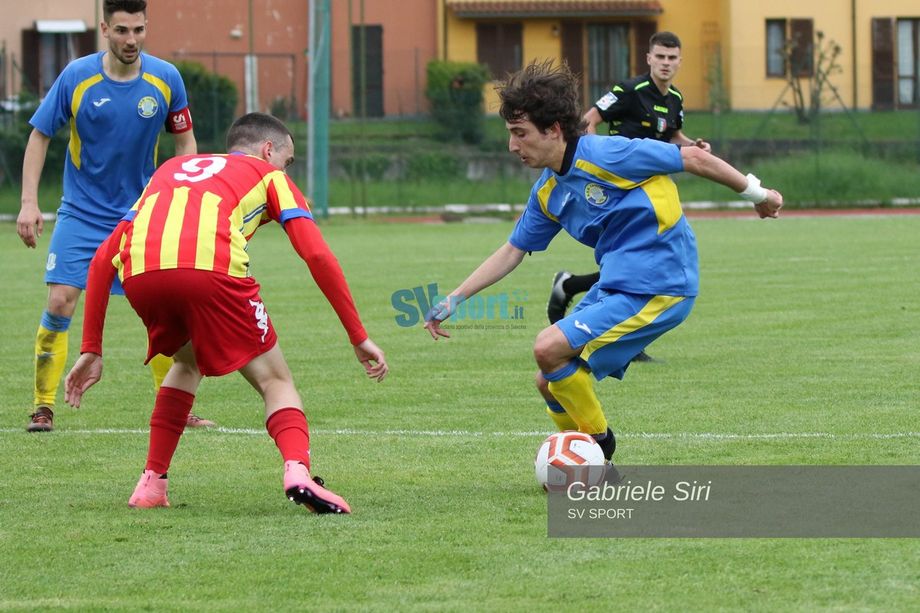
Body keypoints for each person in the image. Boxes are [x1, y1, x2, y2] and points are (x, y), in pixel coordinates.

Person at [424, 61, 781, 462]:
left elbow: (694, 158)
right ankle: (584, 462)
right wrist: (454, 298)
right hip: (617, 285)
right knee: (548, 380)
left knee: (547, 347)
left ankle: (600, 447)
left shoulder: (608, 154)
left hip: (661, 285)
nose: (512, 146)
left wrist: (759, 195)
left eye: (520, 133)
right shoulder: (548, 192)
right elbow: (512, 250)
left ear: (553, 130)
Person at [64, 112, 388, 513]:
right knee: (275, 379)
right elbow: (317, 254)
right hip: (210, 273)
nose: (286, 170)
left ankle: (152, 483)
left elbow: (102, 260)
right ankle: (299, 472)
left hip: (142, 275)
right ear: (268, 150)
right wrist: (358, 336)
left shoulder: (170, 169)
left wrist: (92, 348)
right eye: (287, 161)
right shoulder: (269, 176)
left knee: (186, 363)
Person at [17, 0, 215, 432]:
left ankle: (177, 409)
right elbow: (39, 136)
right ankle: (43, 407)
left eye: (139, 30)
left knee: (164, 311)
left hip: (141, 215)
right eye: (122, 30)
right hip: (81, 213)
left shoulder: (166, 78)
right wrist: (29, 202)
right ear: (104, 28)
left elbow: (185, 142)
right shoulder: (77, 77)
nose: (132, 40)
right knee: (59, 301)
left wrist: (182, 197)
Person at [548, 31, 709, 365]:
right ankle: (594, 330)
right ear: (648, 58)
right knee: (636, 260)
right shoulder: (629, 90)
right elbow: (588, 120)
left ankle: (572, 288)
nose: (665, 63)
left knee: (643, 259)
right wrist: (593, 165)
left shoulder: (675, 97)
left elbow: (673, 135)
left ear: (680, 61)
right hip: (620, 189)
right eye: (660, 56)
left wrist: (693, 146)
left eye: (672, 58)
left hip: (654, 189)